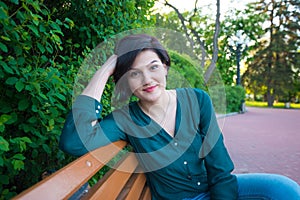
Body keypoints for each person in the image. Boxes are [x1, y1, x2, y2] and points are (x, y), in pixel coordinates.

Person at [59, 34, 300, 200]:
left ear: (165, 66)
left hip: (216, 190)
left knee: (283, 189)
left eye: (153, 67)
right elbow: (73, 142)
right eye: (134, 73)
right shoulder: (125, 120)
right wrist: (105, 70)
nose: (147, 80)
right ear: (125, 81)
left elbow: (219, 167)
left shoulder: (197, 100)